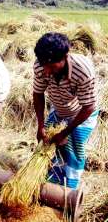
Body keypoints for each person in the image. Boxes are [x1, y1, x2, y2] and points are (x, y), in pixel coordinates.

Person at [33, 32, 99, 189]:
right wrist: (41, 125)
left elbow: (88, 107)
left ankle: (68, 189)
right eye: (44, 66)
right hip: (59, 110)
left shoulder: (83, 70)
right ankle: (51, 182)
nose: (46, 71)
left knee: (73, 150)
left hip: (81, 113)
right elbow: (38, 94)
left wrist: (65, 132)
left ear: (65, 57)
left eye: (52, 66)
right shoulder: (41, 65)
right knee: (47, 144)